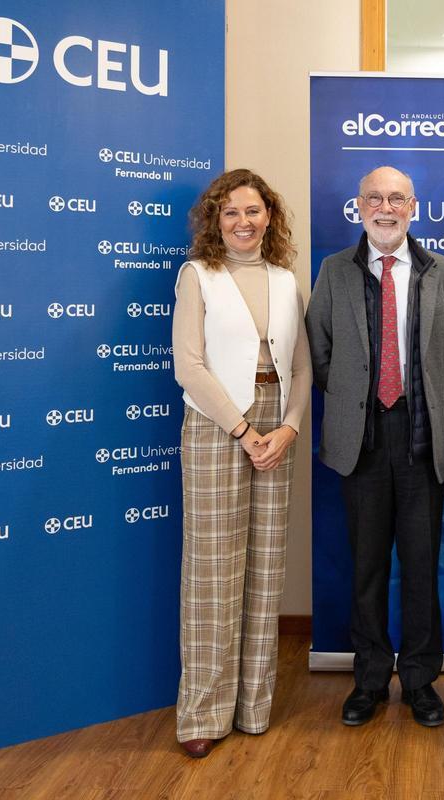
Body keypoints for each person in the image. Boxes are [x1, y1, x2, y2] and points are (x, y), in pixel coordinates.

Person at [305, 166, 444, 728]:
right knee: (367, 567)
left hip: (423, 439)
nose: (385, 207)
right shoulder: (334, 272)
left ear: (413, 207)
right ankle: (370, 679)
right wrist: (361, 399)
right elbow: (319, 354)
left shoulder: (442, 273)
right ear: (359, 206)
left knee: (422, 567)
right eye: (374, 197)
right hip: (363, 439)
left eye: (396, 198)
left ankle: (421, 681)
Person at [171, 169, 311, 758]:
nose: (243, 222)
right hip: (216, 420)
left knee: (262, 565)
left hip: (277, 420)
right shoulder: (198, 275)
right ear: (215, 220)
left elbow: (302, 367)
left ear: (269, 217)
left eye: (253, 211)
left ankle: (253, 706)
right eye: (231, 213)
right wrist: (244, 431)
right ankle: (202, 713)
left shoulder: (285, 280)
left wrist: (288, 427)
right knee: (212, 571)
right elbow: (189, 366)